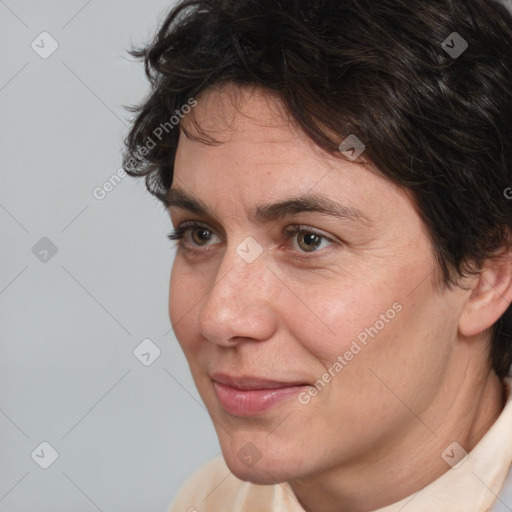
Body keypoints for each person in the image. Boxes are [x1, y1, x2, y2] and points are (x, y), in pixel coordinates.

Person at [122, 0, 512, 510]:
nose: (220, 317)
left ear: (488, 275)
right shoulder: (213, 500)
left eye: (308, 239)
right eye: (199, 234)